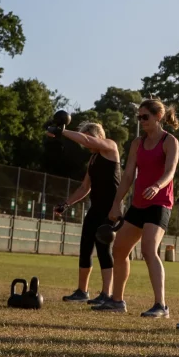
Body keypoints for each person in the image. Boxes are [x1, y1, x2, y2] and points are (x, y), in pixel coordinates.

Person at [93, 98, 179, 317]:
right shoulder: (137, 144)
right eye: (139, 117)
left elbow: (170, 171)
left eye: (145, 116)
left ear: (158, 117)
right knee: (120, 249)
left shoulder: (170, 141)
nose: (141, 121)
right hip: (138, 205)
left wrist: (157, 185)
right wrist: (116, 204)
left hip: (159, 203)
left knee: (149, 250)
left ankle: (161, 306)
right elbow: (129, 175)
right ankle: (117, 301)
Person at [49, 121, 121, 305]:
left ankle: (107, 293)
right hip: (95, 209)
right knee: (85, 248)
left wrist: (63, 131)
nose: (85, 145)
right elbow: (84, 187)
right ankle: (82, 291)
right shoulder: (93, 159)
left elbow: (88, 141)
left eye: (86, 138)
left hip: (109, 210)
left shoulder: (110, 147)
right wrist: (66, 203)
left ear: (96, 135)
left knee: (104, 249)